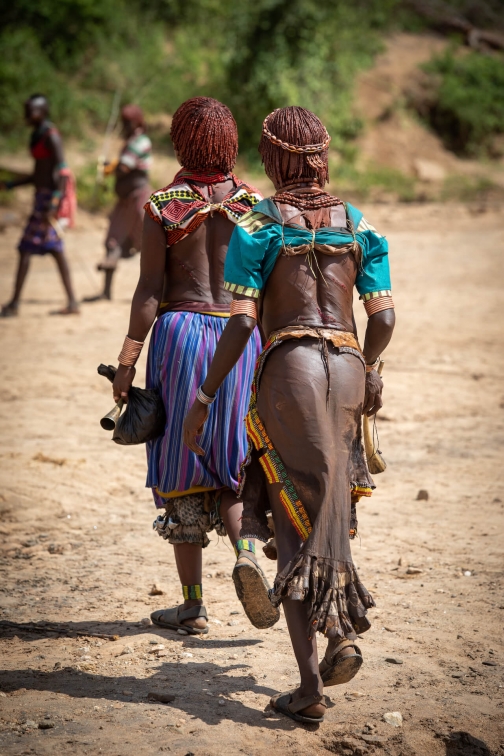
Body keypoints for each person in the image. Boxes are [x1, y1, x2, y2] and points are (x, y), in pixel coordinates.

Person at [183, 106, 396, 722]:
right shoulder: (359, 224)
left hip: (290, 369)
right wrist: (373, 366)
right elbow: (381, 318)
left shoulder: (258, 224)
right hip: (349, 365)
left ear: (274, 158)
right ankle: (341, 635)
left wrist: (204, 397)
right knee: (331, 500)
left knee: (292, 511)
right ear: (323, 155)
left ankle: (310, 686)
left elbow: (244, 321)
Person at [111, 97, 279, 635]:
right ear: (231, 144)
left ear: (181, 142)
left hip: (181, 337)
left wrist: (126, 361)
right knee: (232, 462)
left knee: (183, 469)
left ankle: (191, 605)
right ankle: (248, 555)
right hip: (239, 335)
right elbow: (269, 294)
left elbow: (148, 290)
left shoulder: (163, 205)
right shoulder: (255, 207)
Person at [1, 94, 79, 317]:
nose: (27, 115)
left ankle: (15, 304)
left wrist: (54, 204)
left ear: (42, 111)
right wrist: (10, 184)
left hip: (50, 200)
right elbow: (38, 174)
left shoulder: (51, 136)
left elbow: (62, 173)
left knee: (27, 248)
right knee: (53, 249)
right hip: (41, 198)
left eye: (31, 110)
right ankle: (72, 301)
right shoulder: (37, 135)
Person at [94, 104, 152, 301]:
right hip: (124, 201)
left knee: (151, 241)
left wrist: (110, 168)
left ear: (136, 122)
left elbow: (124, 168)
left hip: (139, 199)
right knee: (113, 239)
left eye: (127, 122)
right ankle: (105, 292)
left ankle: (160, 292)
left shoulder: (141, 141)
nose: (124, 126)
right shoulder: (130, 142)